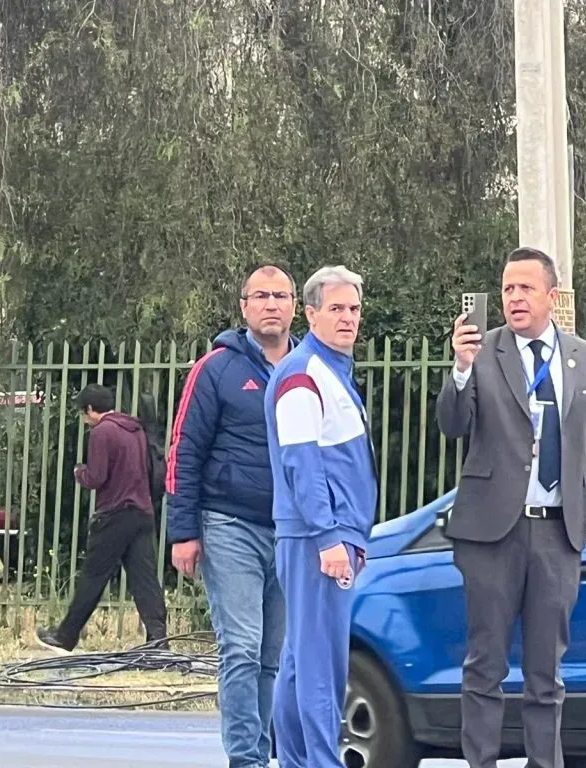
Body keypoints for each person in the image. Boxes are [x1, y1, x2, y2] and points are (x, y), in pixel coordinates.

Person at [436, 247, 586, 768]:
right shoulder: (485, 352)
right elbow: (453, 425)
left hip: (556, 536)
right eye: (507, 289)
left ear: (551, 295)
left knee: (546, 675)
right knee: (485, 668)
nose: (514, 298)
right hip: (491, 535)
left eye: (525, 288)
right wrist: (460, 368)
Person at [165, 263, 298, 768]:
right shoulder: (216, 368)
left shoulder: (308, 367)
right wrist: (183, 532)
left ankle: (266, 752)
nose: (271, 304)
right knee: (241, 648)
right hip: (229, 525)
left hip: (290, 531)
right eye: (260, 295)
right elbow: (184, 450)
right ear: (244, 307)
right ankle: (245, 758)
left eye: (280, 295)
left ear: (294, 307)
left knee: (274, 656)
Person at [263, 265, 378, 768]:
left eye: (353, 308)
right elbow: (301, 460)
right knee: (320, 665)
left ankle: (294, 761)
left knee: (298, 661)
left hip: (324, 536)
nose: (347, 318)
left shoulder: (325, 371)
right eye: (335, 308)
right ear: (310, 314)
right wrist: (331, 536)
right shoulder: (303, 374)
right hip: (317, 538)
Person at [35, 383, 168, 653]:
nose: (85, 420)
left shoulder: (102, 432)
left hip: (114, 515)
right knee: (145, 578)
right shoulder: (135, 430)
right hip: (142, 513)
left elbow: (97, 476)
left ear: (91, 410)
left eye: (84, 414)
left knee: (93, 576)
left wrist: (79, 472)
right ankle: (158, 637)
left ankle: (66, 636)